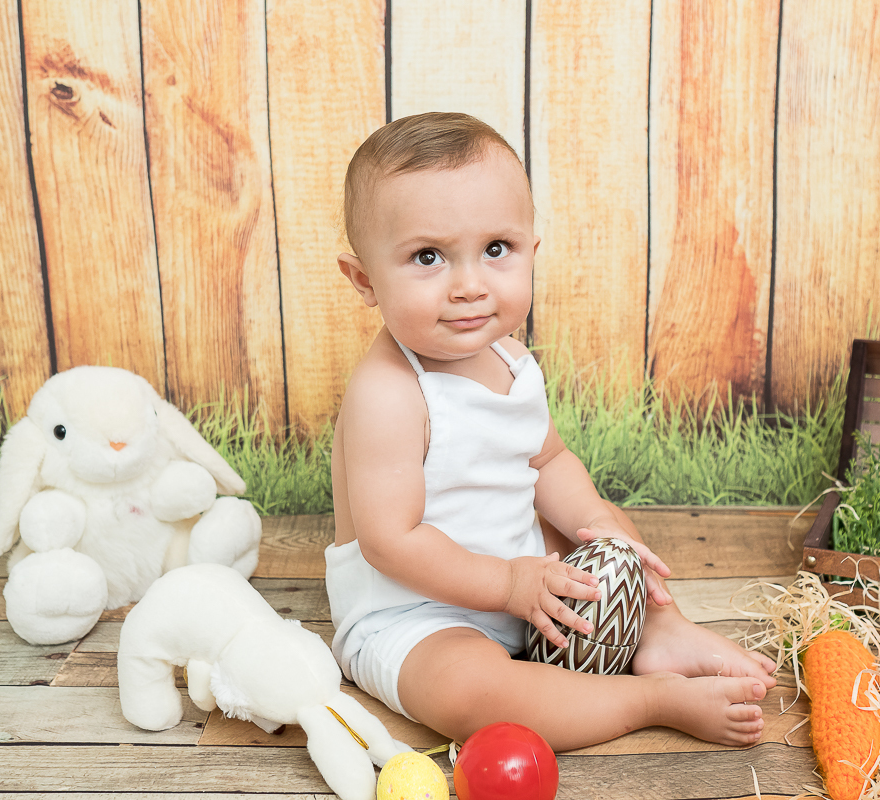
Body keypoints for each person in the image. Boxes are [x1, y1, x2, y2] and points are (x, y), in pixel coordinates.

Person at [325, 112, 777, 752]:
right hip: (417, 616)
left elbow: (548, 462)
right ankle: (649, 700)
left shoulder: (511, 361)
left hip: (528, 581)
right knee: (470, 693)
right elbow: (390, 542)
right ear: (365, 279)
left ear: (530, 250)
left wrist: (598, 526)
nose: (469, 285)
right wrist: (510, 585)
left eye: (495, 250)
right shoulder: (388, 393)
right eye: (428, 257)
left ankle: (661, 630)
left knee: (604, 529)